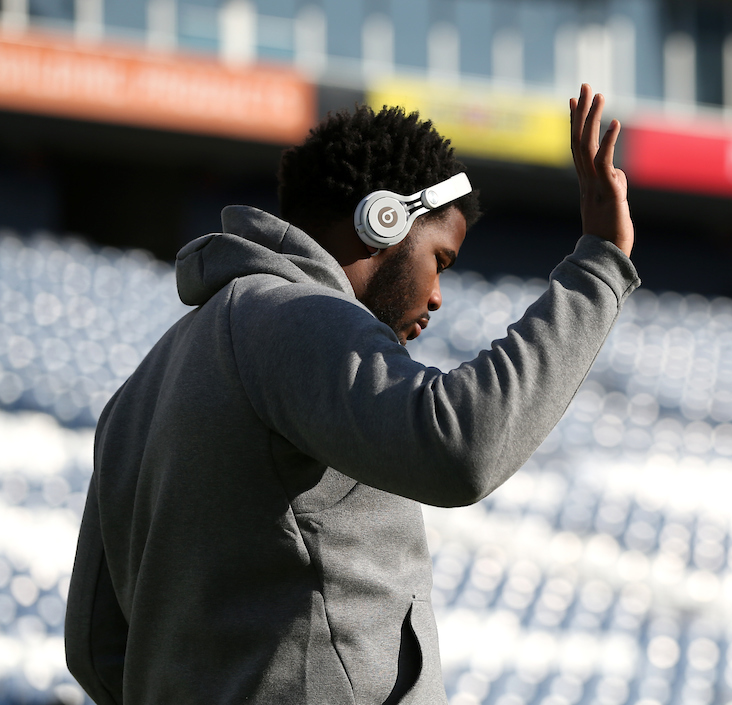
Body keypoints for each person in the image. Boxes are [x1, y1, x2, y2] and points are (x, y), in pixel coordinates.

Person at [64, 84, 638, 704]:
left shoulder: (140, 388)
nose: (438, 296)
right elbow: (460, 447)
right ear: (383, 219)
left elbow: (94, 646)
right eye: (439, 260)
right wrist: (599, 266)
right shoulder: (295, 317)